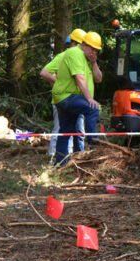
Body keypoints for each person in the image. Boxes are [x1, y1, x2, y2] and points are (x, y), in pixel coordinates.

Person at [52, 31, 103, 165]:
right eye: (92, 49)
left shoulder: (88, 59)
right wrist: (90, 99)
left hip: (71, 97)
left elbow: (99, 78)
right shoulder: (75, 53)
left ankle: (60, 164)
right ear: (84, 45)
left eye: (96, 50)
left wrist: (94, 62)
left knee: (66, 130)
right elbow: (80, 78)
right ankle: (94, 142)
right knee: (93, 108)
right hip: (66, 96)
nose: (94, 52)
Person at [40, 29, 87, 158]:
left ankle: (78, 158)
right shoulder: (63, 56)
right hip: (63, 100)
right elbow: (44, 73)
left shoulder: (81, 58)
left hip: (76, 100)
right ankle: (54, 157)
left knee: (78, 131)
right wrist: (60, 83)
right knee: (61, 129)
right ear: (73, 43)